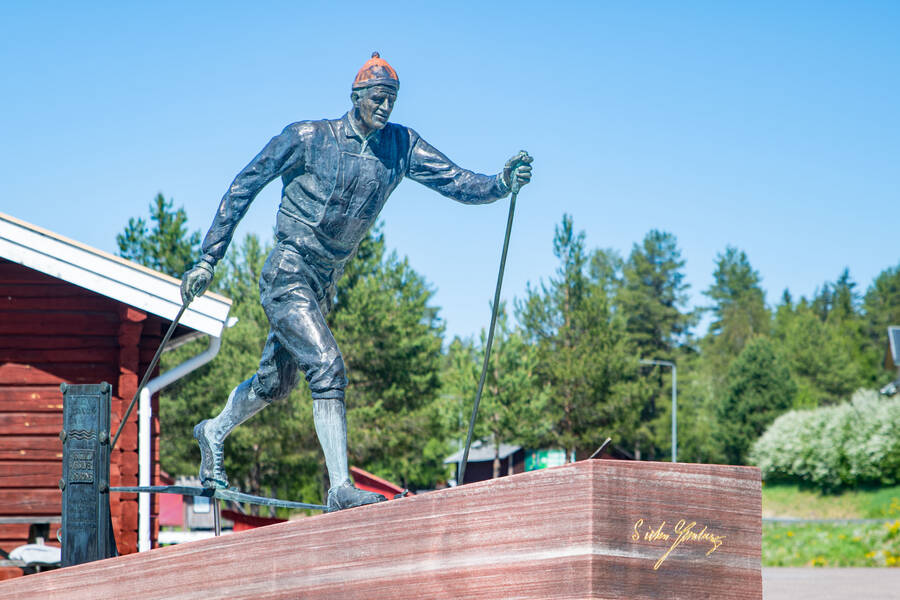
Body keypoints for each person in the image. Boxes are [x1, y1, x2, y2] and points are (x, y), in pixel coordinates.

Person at [180, 52, 532, 511]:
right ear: (357, 97)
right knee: (328, 366)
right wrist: (208, 259)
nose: (386, 108)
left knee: (274, 385)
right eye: (378, 99)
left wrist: (501, 183)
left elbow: (456, 181)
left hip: (323, 283)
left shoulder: (400, 146)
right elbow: (244, 186)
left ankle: (213, 430)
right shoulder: (308, 137)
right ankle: (340, 487)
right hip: (288, 270)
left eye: (392, 100)